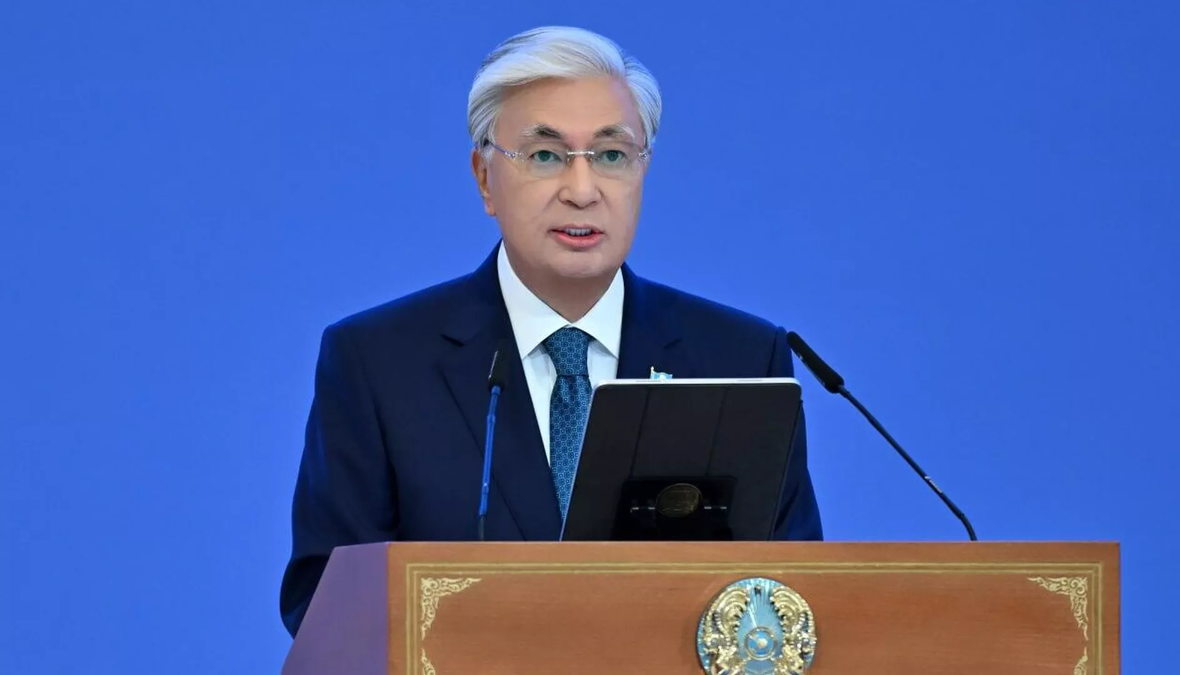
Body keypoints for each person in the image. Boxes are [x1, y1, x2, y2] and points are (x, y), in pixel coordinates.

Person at [279, 25, 823, 638]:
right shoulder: (378, 362)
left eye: (611, 155)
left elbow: (794, 595)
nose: (582, 191)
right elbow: (325, 605)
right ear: (484, 178)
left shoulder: (740, 356)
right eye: (545, 156)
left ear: (643, 171)